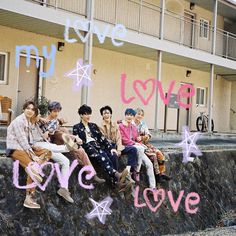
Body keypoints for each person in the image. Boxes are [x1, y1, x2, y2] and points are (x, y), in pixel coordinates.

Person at [38, 102, 105, 184]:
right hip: (51, 144)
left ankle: (92, 175)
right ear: (49, 111)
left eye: (58, 111)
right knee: (61, 132)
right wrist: (74, 137)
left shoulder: (56, 121)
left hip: (63, 143)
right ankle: (76, 152)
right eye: (54, 111)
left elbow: (63, 130)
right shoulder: (44, 121)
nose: (56, 113)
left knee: (81, 150)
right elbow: (50, 131)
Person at [72, 104, 131, 191]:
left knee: (106, 156)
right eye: (86, 114)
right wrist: (78, 141)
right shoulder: (76, 127)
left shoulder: (93, 126)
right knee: (101, 157)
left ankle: (116, 182)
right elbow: (75, 140)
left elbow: (102, 138)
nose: (88, 116)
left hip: (96, 145)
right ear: (81, 115)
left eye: (89, 114)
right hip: (86, 146)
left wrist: (111, 148)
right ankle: (117, 175)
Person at [6, 101, 52, 209]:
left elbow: (29, 141)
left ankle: (35, 169)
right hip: (15, 149)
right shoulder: (19, 121)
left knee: (47, 152)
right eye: (28, 108)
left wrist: (34, 149)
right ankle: (29, 197)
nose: (30, 111)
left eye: (33, 110)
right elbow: (22, 142)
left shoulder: (28, 122)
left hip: (26, 148)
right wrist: (33, 156)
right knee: (32, 167)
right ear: (23, 109)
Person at [119, 108, 156, 189]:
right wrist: (135, 143)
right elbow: (123, 140)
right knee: (140, 148)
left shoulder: (134, 127)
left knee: (149, 164)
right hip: (128, 146)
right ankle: (136, 171)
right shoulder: (121, 125)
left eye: (131, 115)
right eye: (128, 115)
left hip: (138, 148)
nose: (129, 117)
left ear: (133, 116)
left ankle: (153, 187)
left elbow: (137, 139)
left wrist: (140, 141)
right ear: (125, 115)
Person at [99, 105, 137, 183]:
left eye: (108, 113)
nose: (106, 115)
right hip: (107, 148)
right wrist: (112, 149)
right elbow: (103, 141)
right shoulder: (100, 126)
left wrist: (119, 149)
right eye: (104, 113)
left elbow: (119, 138)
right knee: (114, 156)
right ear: (102, 115)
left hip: (116, 147)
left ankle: (128, 172)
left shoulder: (115, 125)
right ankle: (116, 181)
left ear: (111, 114)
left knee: (133, 149)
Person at [134, 108, 171, 183]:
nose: (140, 116)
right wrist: (141, 137)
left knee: (159, 153)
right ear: (134, 114)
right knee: (153, 155)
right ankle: (158, 176)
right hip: (137, 145)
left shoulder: (143, 124)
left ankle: (161, 173)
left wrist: (144, 137)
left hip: (145, 143)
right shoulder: (131, 124)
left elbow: (149, 135)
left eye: (141, 115)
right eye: (138, 114)